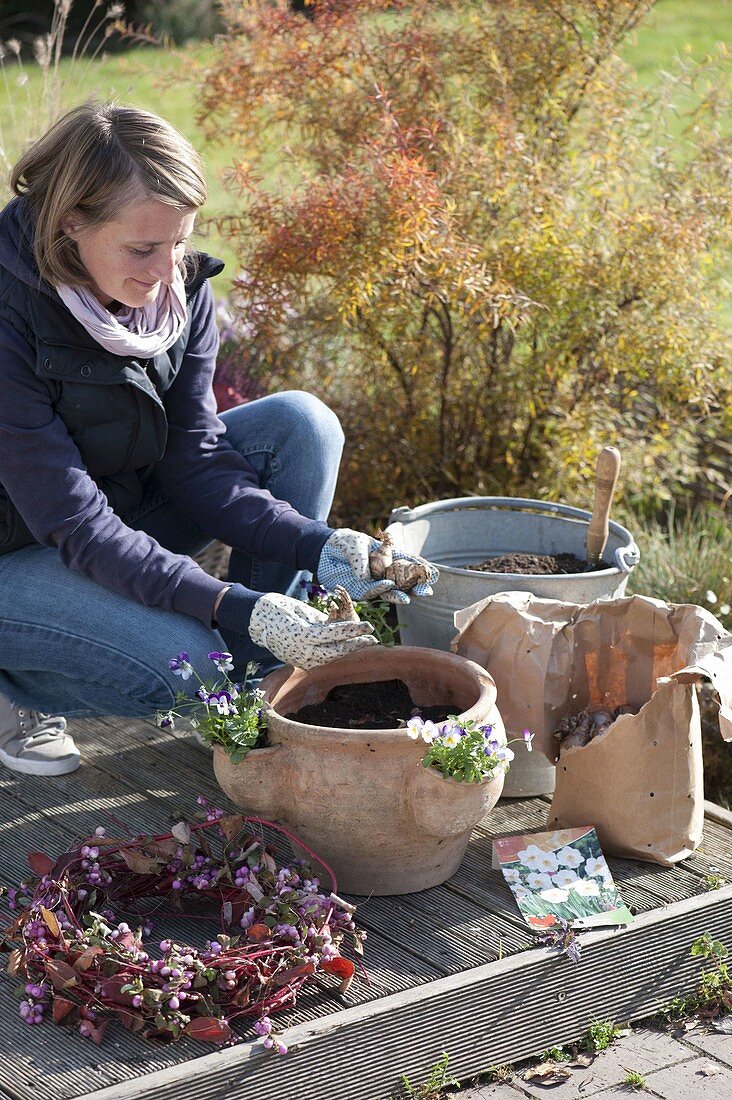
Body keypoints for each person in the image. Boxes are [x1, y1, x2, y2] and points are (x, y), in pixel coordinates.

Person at [0, 102, 437, 778]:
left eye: (178, 241)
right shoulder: (8, 315)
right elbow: (74, 524)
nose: (165, 268)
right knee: (193, 664)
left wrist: (323, 546)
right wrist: (236, 604)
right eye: (143, 248)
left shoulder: (177, 289)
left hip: (104, 521)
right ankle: (17, 694)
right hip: (20, 552)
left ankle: (258, 692)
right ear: (69, 225)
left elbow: (198, 461)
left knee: (300, 424)